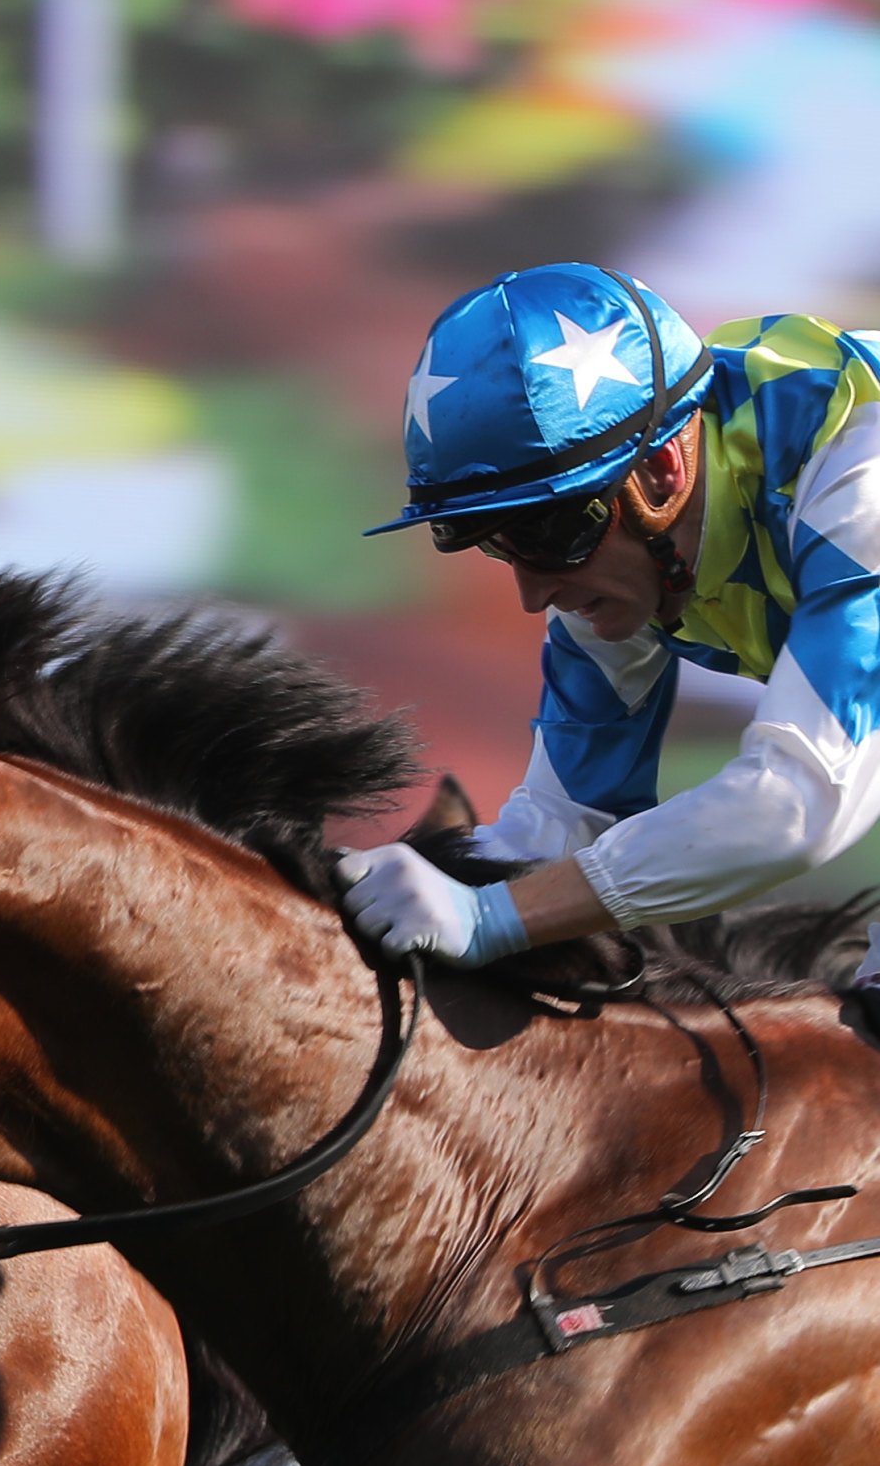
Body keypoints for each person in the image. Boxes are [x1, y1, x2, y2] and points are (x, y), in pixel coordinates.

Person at [340, 260, 880, 982]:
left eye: (542, 533)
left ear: (660, 473)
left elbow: (794, 806)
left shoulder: (859, 479)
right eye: (499, 545)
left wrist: (494, 918)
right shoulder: (626, 555)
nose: (533, 594)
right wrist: (371, 883)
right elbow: (560, 828)